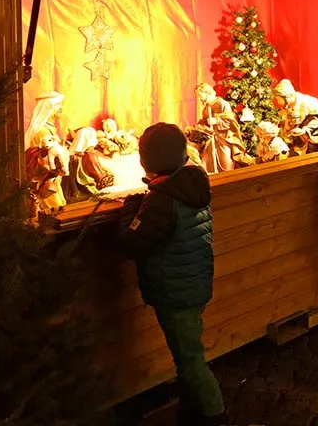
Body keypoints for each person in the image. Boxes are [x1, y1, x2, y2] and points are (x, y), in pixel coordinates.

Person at [119, 123, 227, 425]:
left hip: (175, 291)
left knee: (190, 360)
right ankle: (192, 409)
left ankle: (215, 414)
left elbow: (133, 242)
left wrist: (130, 210)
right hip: (193, 284)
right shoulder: (191, 185)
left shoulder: (162, 200)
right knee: (187, 355)